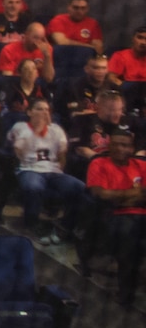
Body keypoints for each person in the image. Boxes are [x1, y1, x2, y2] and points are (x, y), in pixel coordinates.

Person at [9, 100, 83, 245]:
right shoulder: (20, 127)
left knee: (80, 188)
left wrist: (59, 170)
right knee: (34, 187)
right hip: (29, 169)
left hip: (53, 171)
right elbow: (18, 152)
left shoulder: (56, 129)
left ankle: (65, 226)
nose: (44, 112)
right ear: (29, 112)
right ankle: (32, 224)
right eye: (39, 109)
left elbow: (62, 154)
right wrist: (36, 130)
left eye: (46, 110)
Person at [87, 128, 146, 304]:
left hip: (141, 214)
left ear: (132, 148)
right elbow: (100, 194)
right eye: (117, 144)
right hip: (114, 215)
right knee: (129, 238)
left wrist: (119, 196)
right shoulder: (98, 163)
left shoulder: (141, 165)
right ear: (109, 146)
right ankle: (126, 294)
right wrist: (134, 194)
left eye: (125, 145)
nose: (121, 149)